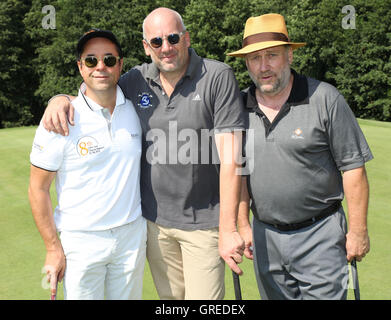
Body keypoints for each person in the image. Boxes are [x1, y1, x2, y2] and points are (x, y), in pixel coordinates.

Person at [40, 7, 245, 300]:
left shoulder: (217, 76)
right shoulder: (135, 80)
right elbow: (98, 88)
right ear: (146, 47)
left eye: (173, 38)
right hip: (154, 225)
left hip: (204, 224)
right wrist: (59, 99)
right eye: (157, 42)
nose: (167, 48)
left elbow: (232, 159)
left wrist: (229, 229)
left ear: (186, 38)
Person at [228, 13, 373, 300]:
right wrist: (243, 224)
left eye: (272, 55)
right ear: (246, 63)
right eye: (255, 58)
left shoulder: (325, 99)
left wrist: (358, 232)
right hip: (265, 238)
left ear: (290, 55)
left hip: (320, 234)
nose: (263, 66)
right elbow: (238, 172)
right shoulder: (237, 107)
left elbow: (353, 168)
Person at [28, 29, 146, 300]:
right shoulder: (59, 119)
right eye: (91, 61)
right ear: (81, 67)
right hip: (81, 242)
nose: (100, 67)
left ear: (121, 64)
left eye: (109, 59)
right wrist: (52, 248)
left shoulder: (137, 109)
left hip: (131, 238)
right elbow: (38, 189)